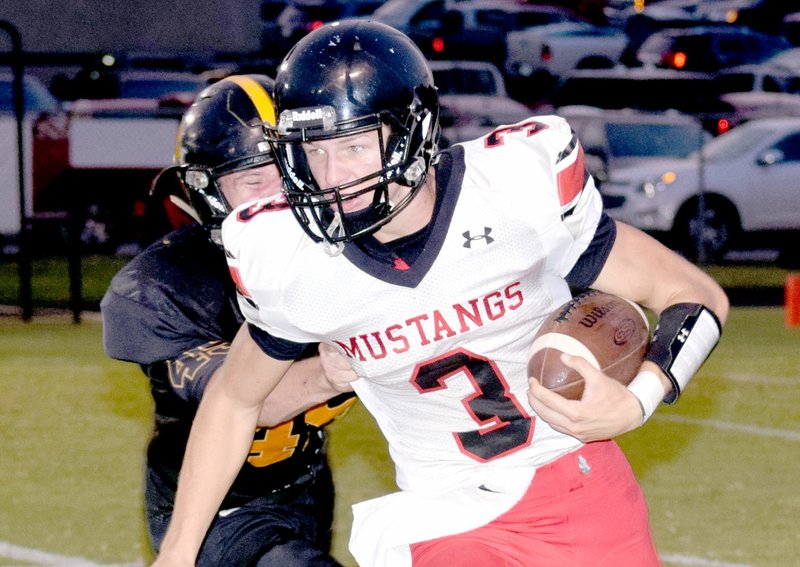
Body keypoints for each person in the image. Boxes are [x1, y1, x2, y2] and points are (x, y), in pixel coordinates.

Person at [154, 22, 729, 567]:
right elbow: (234, 400)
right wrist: (179, 551)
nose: (329, 173)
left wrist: (638, 400)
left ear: (414, 131)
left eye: (354, 145)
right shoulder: (293, 255)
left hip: (577, 481)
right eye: (313, 148)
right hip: (446, 515)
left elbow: (692, 292)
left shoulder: (513, 191)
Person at [100, 74, 357, 567]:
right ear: (208, 192)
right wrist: (342, 366)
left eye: (290, 168)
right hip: (216, 506)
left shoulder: (354, 250)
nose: (283, 195)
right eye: (254, 180)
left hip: (306, 480)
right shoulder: (164, 286)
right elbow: (247, 398)